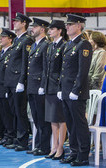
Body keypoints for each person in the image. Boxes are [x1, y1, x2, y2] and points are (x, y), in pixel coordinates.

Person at [58, 14, 92, 166]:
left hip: (76, 93)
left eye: (70, 24)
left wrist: (76, 90)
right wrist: (61, 88)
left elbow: (82, 71)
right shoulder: (68, 44)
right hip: (66, 91)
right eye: (67, 24)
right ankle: (74, 151)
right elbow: (64, 70)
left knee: (79, 124)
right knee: (70, 124)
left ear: (79, 26)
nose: (67, 27)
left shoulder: (83, 44)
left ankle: (83, 154)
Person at [4, 13, 34, 151]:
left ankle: (22, 140)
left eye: (17, 21)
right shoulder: (17, 40)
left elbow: (24, 63)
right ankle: (17, 137)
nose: (14, 23)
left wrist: (22, 81)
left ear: (23, 24)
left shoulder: (26, 40)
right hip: (11, 81)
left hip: (18, 81)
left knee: (20, 111)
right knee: (13, 111)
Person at [42, 20, 68, 160]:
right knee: (52, 119)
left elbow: (63, 69)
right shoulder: (51, 46)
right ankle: (54, 145)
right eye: (49, 29)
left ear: (59, 30)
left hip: (59, 85)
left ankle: (60, 147)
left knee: (61, 118)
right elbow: (46, 67)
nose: (49, 31)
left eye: (52, 29)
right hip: (49, 85)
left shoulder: (64, 45)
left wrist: (60, 86)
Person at [27, 18, 51, 156]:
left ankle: (44, 147)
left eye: (35, 27)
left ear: (42, 29)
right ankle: (38, 145)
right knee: (36, 118)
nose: (32, 29)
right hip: (31, 86)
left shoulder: (45, 45)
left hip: (39, 86)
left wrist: (42, 85)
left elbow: (45, 68)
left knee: (42, 119)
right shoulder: (35, 45)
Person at [0, 28, 16, 147]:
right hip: (0, 87)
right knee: (3, 113)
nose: (0, 39)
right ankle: (7, 135)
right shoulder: (2, 52)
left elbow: (9, 72)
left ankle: (11, 136)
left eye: (3, 37)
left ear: (10, 39)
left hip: (6, 87)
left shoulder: (11, 52)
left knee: (8, 113)